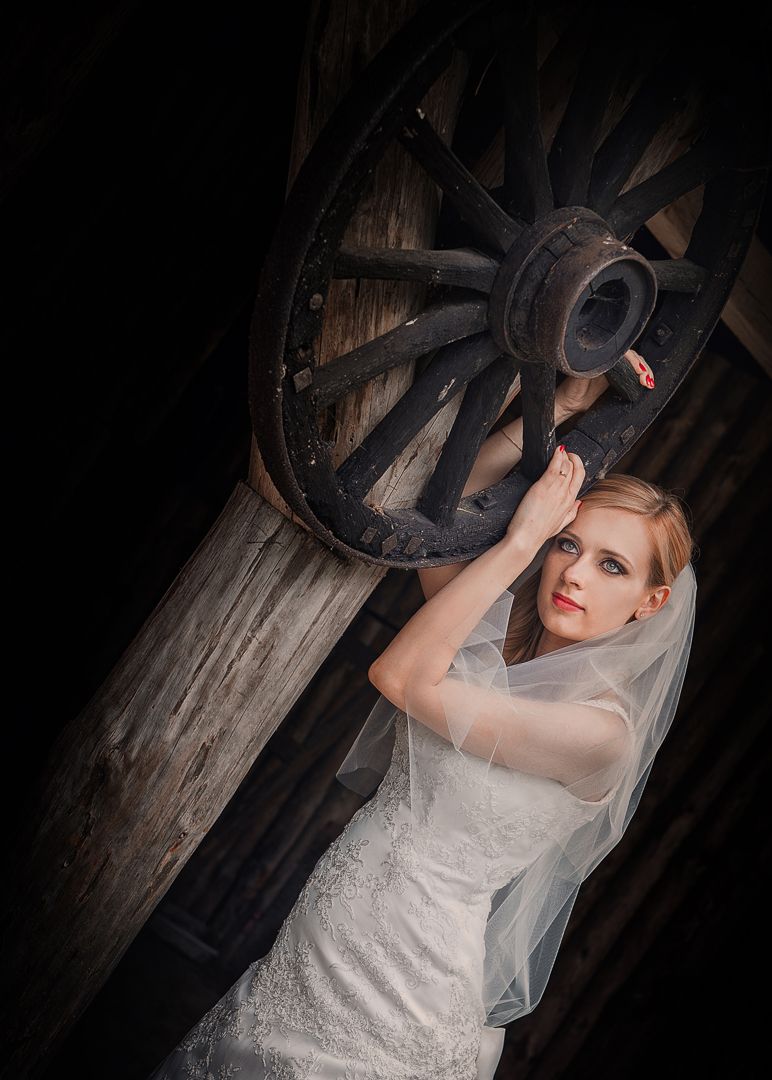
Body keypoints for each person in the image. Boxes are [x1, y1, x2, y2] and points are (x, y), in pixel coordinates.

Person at [146, 351, 696, 1080]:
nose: (572, 573)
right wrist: (562, 407)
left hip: (406, 992)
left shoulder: (600, 736)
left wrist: (521, 542)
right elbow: (445, 505)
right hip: (320, 945)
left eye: (612, 566)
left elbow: (400, 677)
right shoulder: (491, 651)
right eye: (569, 543)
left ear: (652, 602)